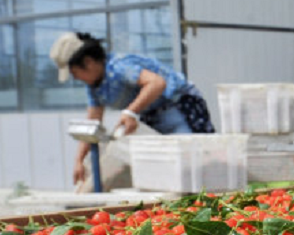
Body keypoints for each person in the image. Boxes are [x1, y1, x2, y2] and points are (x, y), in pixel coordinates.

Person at [50, 32, 215, 185]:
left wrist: (130, 112)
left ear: (88, 62)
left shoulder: (119, 66)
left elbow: (157, 83)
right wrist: (79, 160)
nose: (76, 78)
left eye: (75, 72)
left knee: (193, 164)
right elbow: (92, 124)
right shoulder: (94, 87)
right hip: (152, 117)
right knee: (165, 170)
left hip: (178, 106)